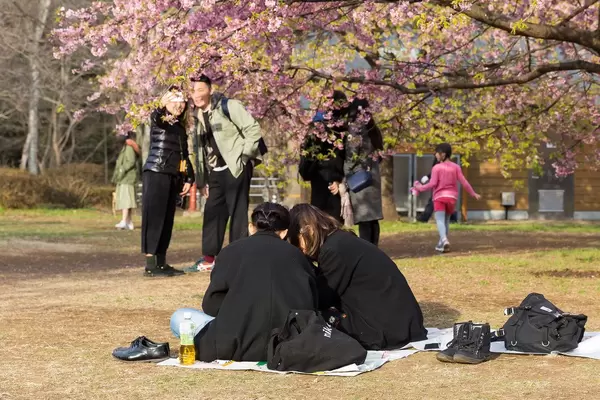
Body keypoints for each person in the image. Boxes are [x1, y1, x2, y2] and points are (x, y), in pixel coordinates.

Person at [170, 202, 319, 362]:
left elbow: (211, 305)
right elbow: (310, 303)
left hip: (232, 344)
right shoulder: (297, 257)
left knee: (179, 317)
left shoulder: (230, 252)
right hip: (286, 342)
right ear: (284, 233)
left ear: (251, 227)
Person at [288, 203, 428, 350]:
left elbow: (322, 298)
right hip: (402, 323)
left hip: (386, 329)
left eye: (296, 242)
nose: (299, 250)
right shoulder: (340, 240)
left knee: (309, 318)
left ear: (308, 231)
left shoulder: (334, 250)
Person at [186, 74, 264, 272]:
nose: (196, 95)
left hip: (237, 166)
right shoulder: (198, 115)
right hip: (217, 170)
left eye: (200, 90)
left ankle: (238, 257)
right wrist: (203, 180)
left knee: (237, 211)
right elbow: (203, 149)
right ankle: (209, 258)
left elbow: (253, 128)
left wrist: (244, 156)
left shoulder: (228, 105)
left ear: (210, 90)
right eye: (193, 90)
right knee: (213, 211)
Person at [141, 88, 195, 277]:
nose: (179, 105)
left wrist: (189, 177)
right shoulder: (160, 118)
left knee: (167, 219)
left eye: (182, 101)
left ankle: (161, 262)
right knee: (154, 218)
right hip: (157, 171)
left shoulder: (180, 126)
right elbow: (155, 115)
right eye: (174, 100)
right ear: (165, 102)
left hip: (173, 174)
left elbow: (184, 154)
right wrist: (159, 105)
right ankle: (150, 265)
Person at [412, 143, 480, 253]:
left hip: (439, 197)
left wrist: (420, 188)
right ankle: (441, 244)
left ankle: (444, 239)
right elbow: (464, 182)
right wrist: (473, 193)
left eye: (437, 153)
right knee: (446, 220)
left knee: (439, 220)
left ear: (443, 154)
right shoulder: (456, 167)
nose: (435, 155)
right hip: (452, 198)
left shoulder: (436, 168)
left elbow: (432, 184)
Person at [338, 98, 384, 246]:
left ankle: (368, 251)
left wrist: (344, 177)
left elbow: (352, 156)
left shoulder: (355, 128)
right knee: (373, 219)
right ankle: (375, 249)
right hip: (374, 176)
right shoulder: (372, 127)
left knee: (364, 217)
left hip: (360, 178)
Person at [298, 91, 347, 222]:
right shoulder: (339, 130)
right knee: (331, 222)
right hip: (329, 183)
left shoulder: (315, 129)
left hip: (322, 184)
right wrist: (338, 179)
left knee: (321, 221)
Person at [112, 131, 141, 230]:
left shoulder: (128, 148)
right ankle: (129, 222)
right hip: (125, 178)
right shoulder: (125, 148)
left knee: (126, 200)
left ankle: (124, 221)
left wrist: (122, 170)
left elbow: (130, 161)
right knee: (127, 200)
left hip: (127, 178)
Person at [416, 157, 458, 224]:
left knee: (433, 202)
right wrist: (428, 176)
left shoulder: (442, 161)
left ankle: (424, 218)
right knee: (441, 203)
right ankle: (453, 218)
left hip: (441, 187)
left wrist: (427, 179)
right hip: (441, 187)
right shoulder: (440, 160)